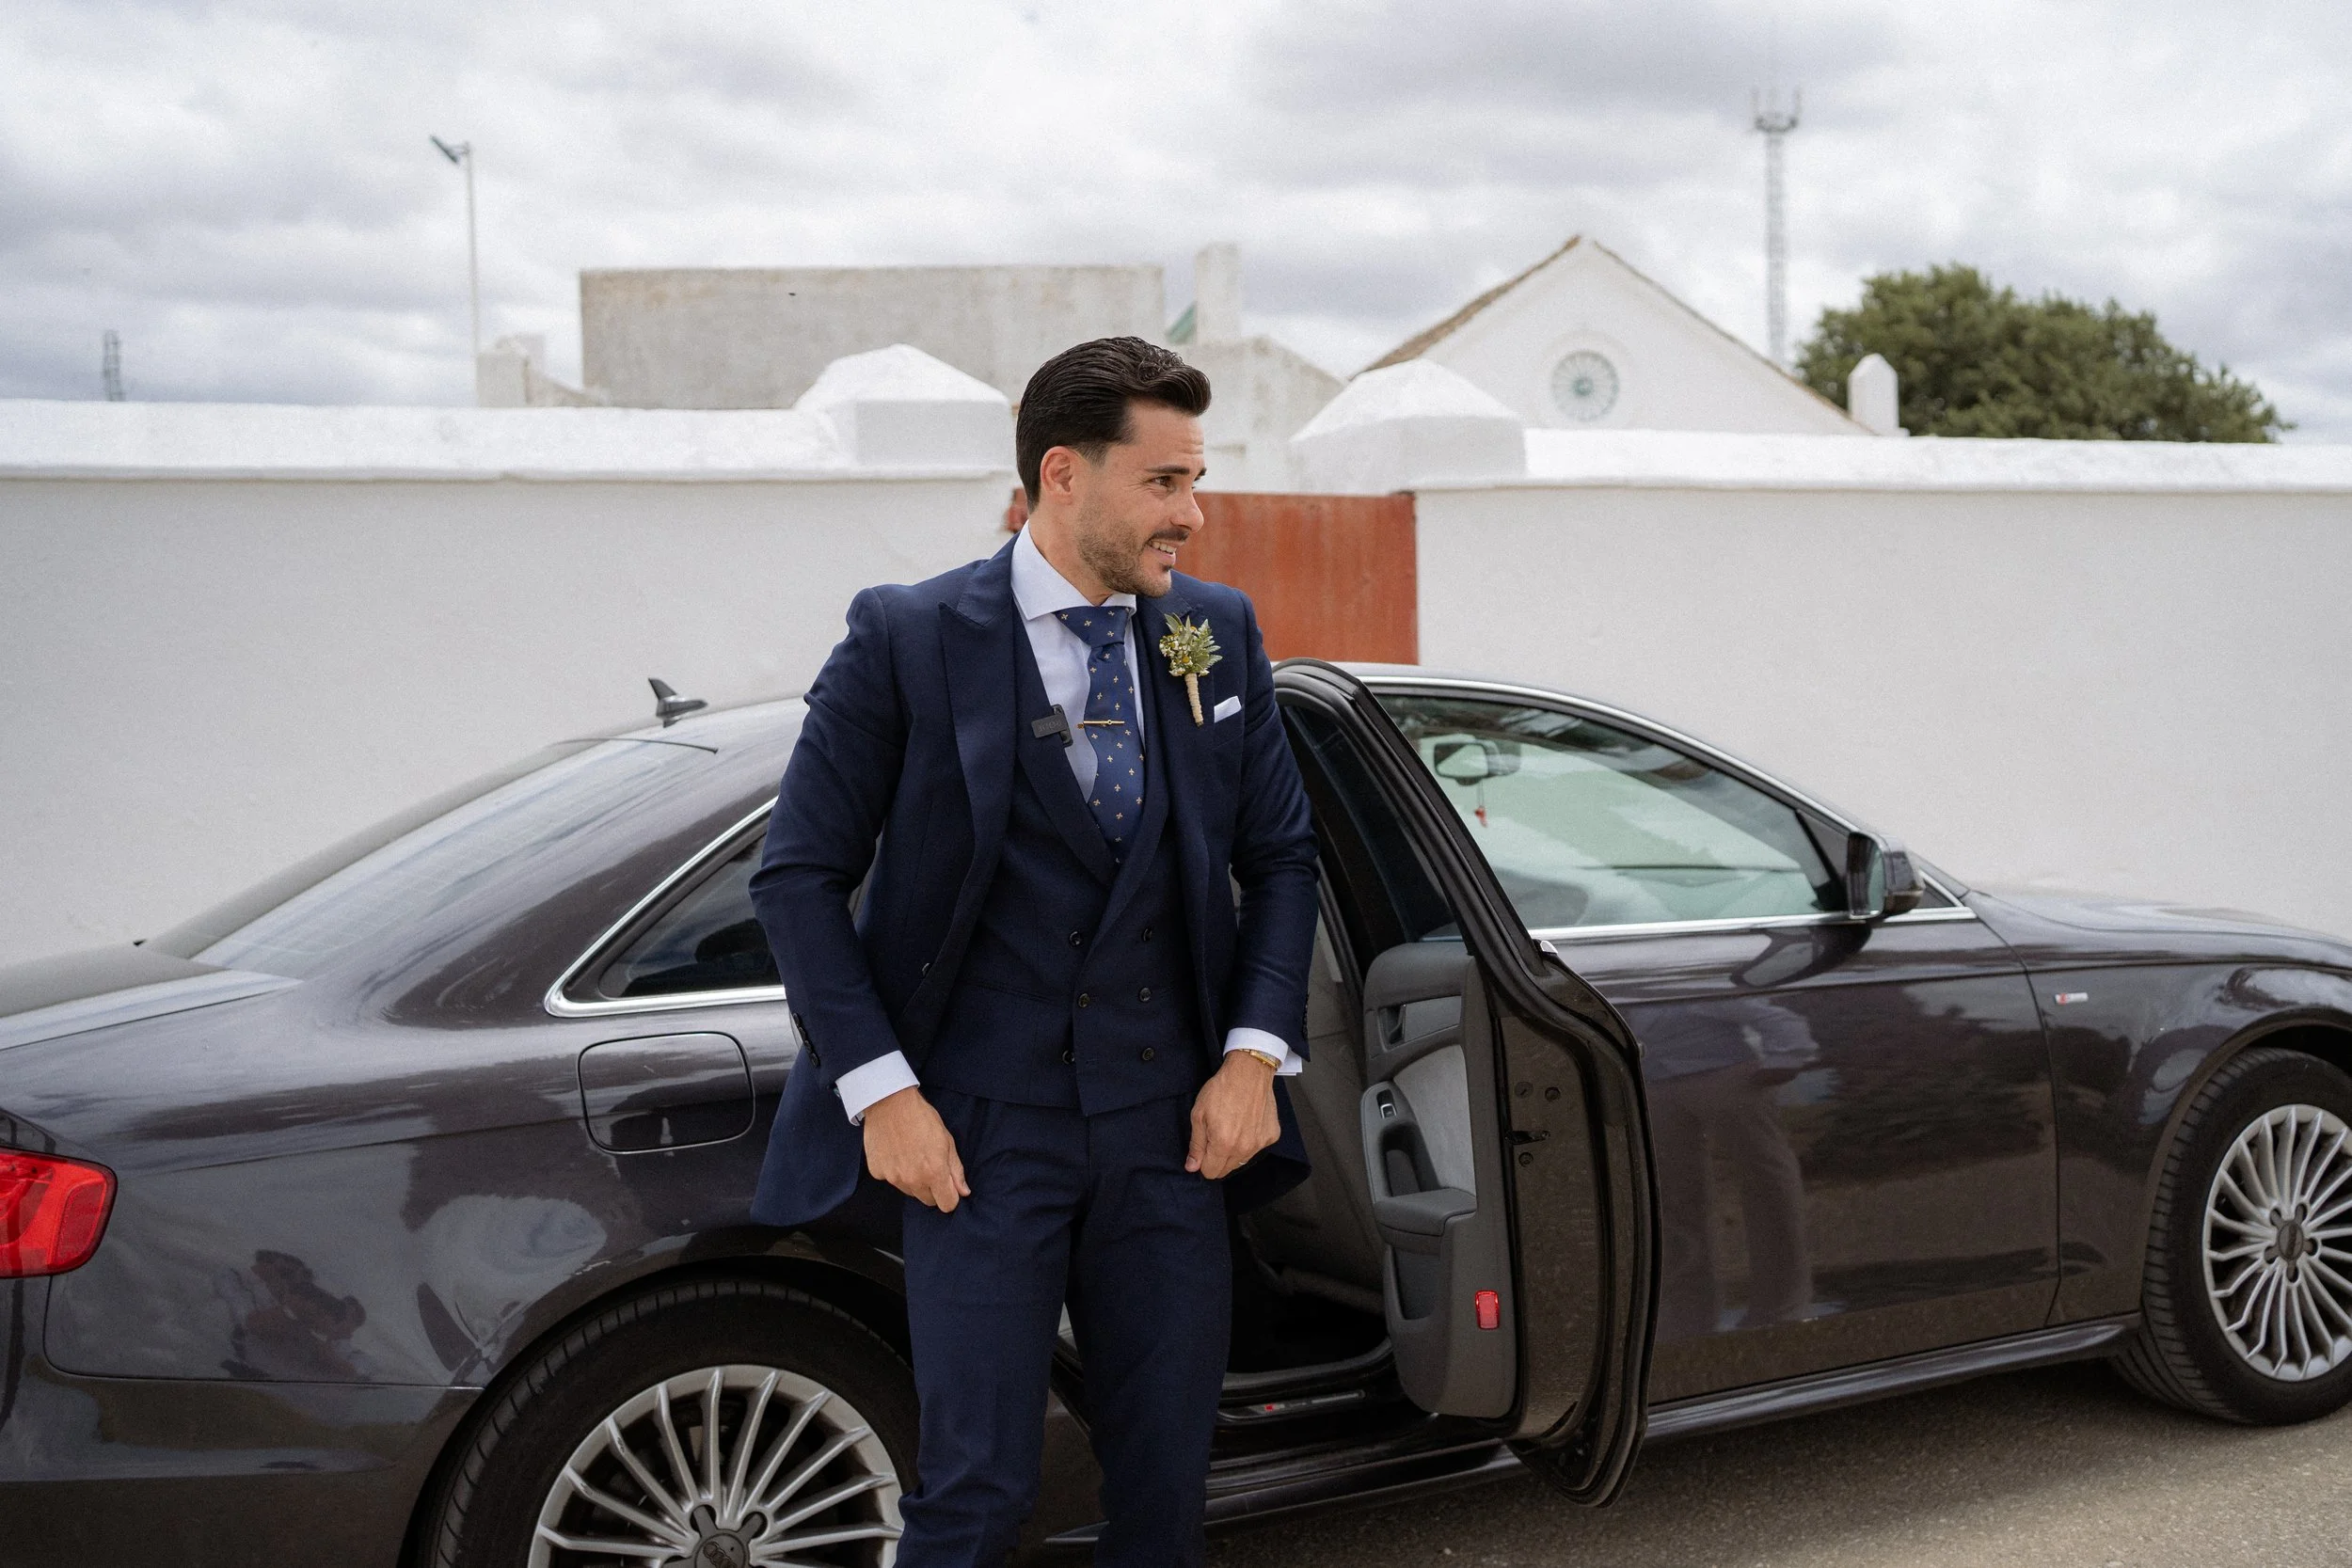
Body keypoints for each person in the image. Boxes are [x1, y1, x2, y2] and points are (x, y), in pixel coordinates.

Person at [746, 336, 1322, 1568]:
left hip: (1169, 1130)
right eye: (1165, 483)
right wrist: (882, 1092)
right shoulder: (908, 637)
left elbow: (1280, 859)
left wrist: (1251, 1059)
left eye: (1195, 479)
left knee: (1166, 1493)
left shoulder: (1212, 634)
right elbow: (796, 876)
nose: (1195, 514)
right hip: (977, 1135)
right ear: (1066, 474)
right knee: (976, 1491)